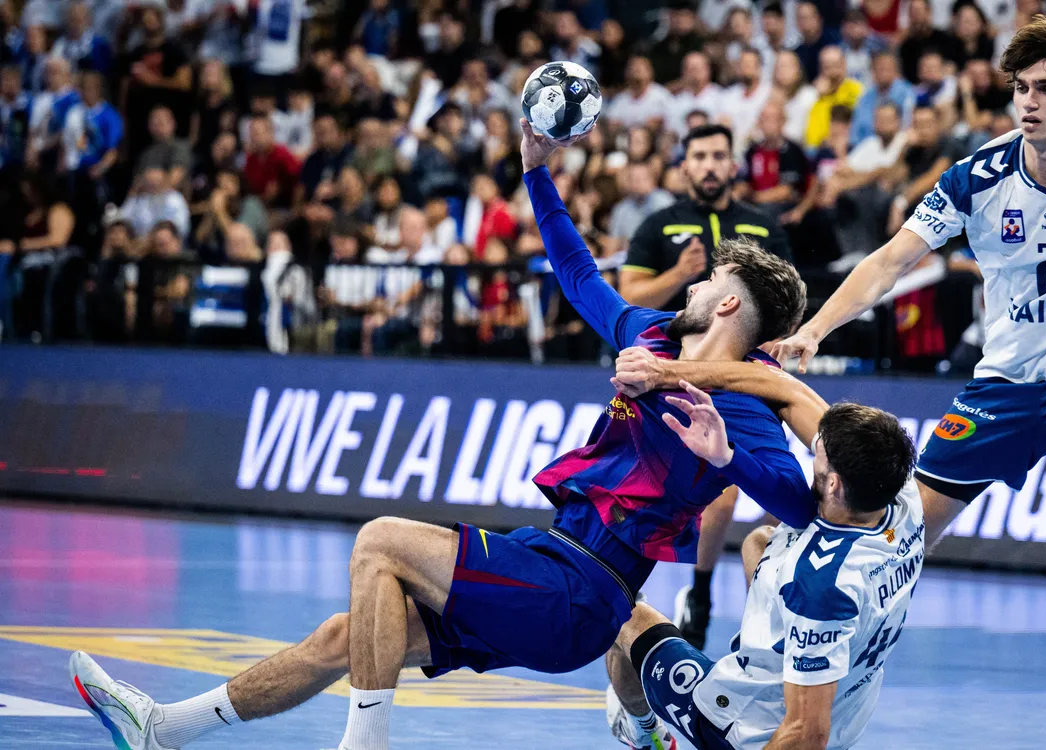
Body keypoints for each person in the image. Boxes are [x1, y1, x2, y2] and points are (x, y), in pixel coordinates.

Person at [68, 118, 812, 750]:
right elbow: (578, 274)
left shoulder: (744, 405)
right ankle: (164, 728)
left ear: (727, 309)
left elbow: (799, 502)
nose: (693, 284)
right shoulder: (649, 336)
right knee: (350, 634)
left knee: (380, 541)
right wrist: (536, 171)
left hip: (580, 592)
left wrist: (728, 457)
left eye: (709, 283)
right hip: (549, 557)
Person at [770, 15, 1046, 549]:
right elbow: (888, 263)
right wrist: (816, 328)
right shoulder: (975, 179)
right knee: (901, 540)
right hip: (1009, 382)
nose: (1029, 102)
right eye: (1022, 88)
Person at [605, 350, 921, 750]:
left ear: (834, 484)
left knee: (617, 605)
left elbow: (806, 734)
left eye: (818, 456)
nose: (812, 453)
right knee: (760, 541)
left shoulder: (819, 587)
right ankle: (762, 646)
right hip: (847, 711)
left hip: (745, 728)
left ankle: (644, 732)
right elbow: (789, 392)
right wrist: (727, 456)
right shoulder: (903, 504)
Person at [619, 123, 794, 650]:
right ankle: (692, 591)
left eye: (719, 154)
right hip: (676, 373)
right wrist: (680, 274)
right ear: (685, 166)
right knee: (712, 488)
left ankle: (752, 603)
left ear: (733, 164)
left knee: (776, 484)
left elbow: (781, 302)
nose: (710, 164)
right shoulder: (659, 225)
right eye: (700, 156)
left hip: (745, 377)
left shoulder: (761, 225)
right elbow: (630, 294)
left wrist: (781, 341)